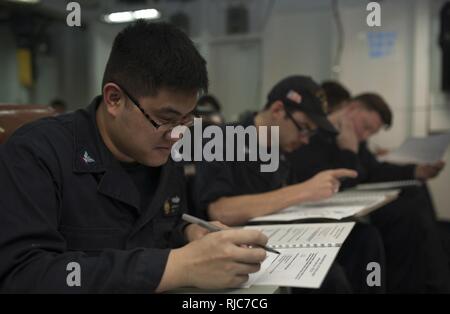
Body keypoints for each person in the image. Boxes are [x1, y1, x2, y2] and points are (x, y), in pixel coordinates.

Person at [0, 21, 268, 293]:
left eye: (186, 120)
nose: (177, 135)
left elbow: (159, 230)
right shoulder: (36, 154)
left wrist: (189, 235)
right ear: (114, 98)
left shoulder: (162, 152)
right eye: (166, 119)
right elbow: (23, 275)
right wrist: (178, 266)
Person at [194, 76, 386, 293]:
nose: (305, 139)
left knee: (366, 239)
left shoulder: (283, 150)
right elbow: (220, 210)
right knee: (331, 279)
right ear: (277, 110)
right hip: (246, 241)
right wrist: (303, 191)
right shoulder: (222, 139)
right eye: (304, 128)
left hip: (285, 233)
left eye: (311, 133)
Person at [288, 92, 450, 293]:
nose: (365, 136)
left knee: (416, 194)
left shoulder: (356, 141)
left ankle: (431, 281)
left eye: (370, 133)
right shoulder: (313, 137)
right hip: (326, 212)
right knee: (405, 216)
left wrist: (415, 171)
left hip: (356, 205)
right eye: (365, 127)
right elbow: (334, 184)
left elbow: (373, 170)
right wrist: (348, 151)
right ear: (352, 108)